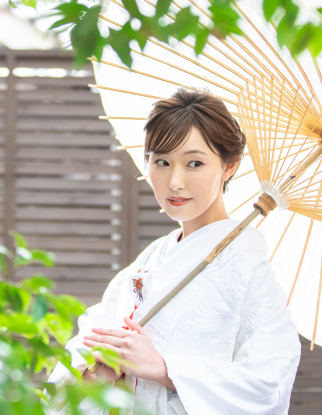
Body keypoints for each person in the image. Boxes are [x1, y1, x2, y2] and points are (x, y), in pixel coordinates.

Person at [47, 88, 301, 414]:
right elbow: (91, 342)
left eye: (194, 163)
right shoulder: (151, 258)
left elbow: (268, 382)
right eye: (162, 162)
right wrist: (97, 372)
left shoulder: (247, 263)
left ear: (230, 165)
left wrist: (165, 369)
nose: (175, 182)